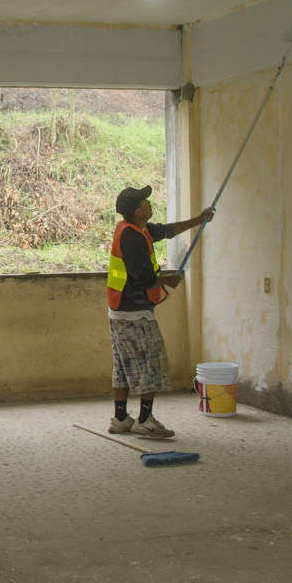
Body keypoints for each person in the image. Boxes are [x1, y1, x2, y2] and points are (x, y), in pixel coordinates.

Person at [107, 185, 214, 438]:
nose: (149, 204)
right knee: (152, 364)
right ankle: (145, 420)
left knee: (123, 366)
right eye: (145, 202)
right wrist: (166, 280)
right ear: (137, 210)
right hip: (134, 314)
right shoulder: (132, 238)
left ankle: (120, 419)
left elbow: (167, 230)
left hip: (121, 310)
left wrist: (198, 219)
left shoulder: (136, 229)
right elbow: (142, 278)